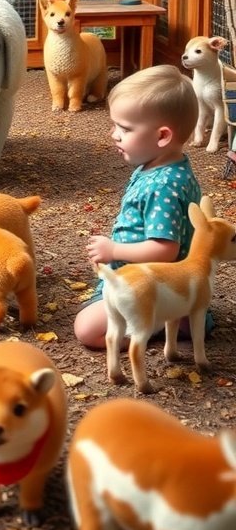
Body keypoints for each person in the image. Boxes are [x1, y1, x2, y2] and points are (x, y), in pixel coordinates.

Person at [74, 63, 201, 349]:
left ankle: (163, 321)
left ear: (162, 136)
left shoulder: (163, 185)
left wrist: (114, 250)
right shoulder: (161, 165)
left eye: (124, 128)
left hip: (154, 286)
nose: (114, 134)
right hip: (143, 278)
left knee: (86, 330)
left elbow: (165, 249)